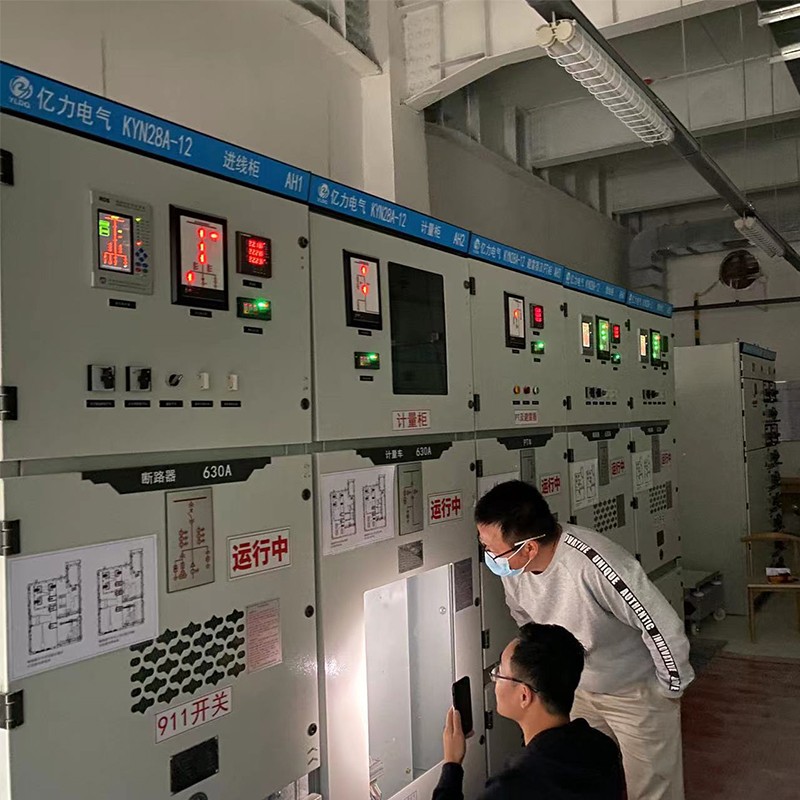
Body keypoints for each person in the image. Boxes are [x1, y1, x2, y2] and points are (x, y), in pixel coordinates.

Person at [475, 480, 694, 800]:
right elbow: (528, 623)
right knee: (580, 781)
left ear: (529, 548)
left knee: (652, 790)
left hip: (635, 692)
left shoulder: (596, 565)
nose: (489, 556)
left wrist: (668, 689)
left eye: (492, 549)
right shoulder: (516, 570)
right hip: (577, 691)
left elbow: (661, 626)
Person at [433, 622, 624, 800]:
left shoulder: (512, 786)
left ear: (524, 696)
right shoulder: (603, 748)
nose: (495, 680)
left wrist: (452, 764)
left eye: (500, 673)